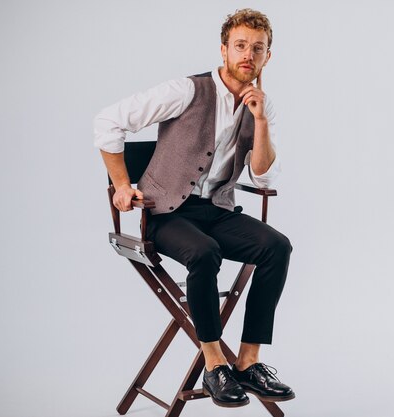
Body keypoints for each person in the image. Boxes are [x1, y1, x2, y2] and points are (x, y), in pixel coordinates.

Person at [94, 8, 294, 408]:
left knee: (277, 247)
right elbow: (107, 121)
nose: (248, 55)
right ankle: (215, 361)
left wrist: (261, 122)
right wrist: (121, 184)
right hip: (164, 214)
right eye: (240, 46)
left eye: (258, 49)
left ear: (267, 57)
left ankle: (250, 362)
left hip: (216, 209)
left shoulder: (261, 106)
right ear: (223, 49)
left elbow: (262, 176)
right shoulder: (186, 91)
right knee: (205, 253)